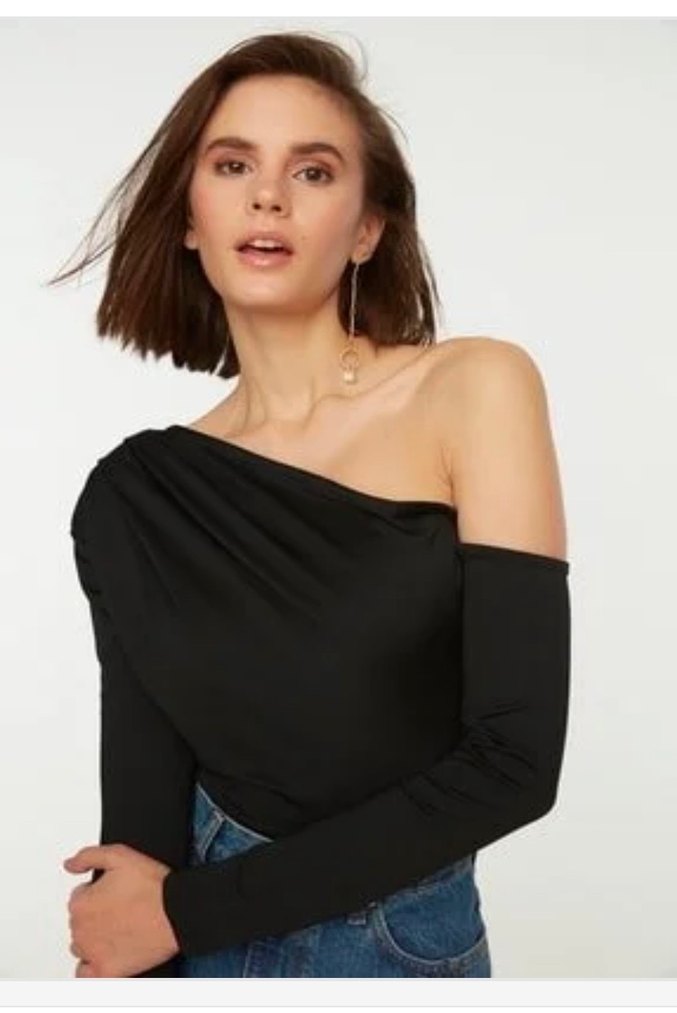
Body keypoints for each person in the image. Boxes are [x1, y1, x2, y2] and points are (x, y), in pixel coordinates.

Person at [51, 30, 570, 978]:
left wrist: (181, 915)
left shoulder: (473, 388)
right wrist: (141, 950)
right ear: (188, 217)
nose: (268, 196)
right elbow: (142, 833)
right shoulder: (132, 496)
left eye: (313, 171)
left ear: (367, 228)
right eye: (232, 164)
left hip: (390, 949)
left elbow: (514, 763)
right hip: (198, 950)